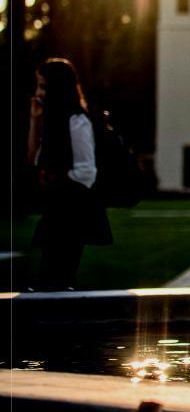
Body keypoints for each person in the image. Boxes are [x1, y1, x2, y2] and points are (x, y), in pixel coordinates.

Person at [27, 58, 113, 290]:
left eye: (43, 85)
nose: (38, 92)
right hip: (58, 206)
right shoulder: (53, 120)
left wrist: (59, 178)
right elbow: (33, 159)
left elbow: (87, 170)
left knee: (58, 274)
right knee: (51, 274)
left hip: (73, 208)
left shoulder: (77, 120)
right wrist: (35, 119)